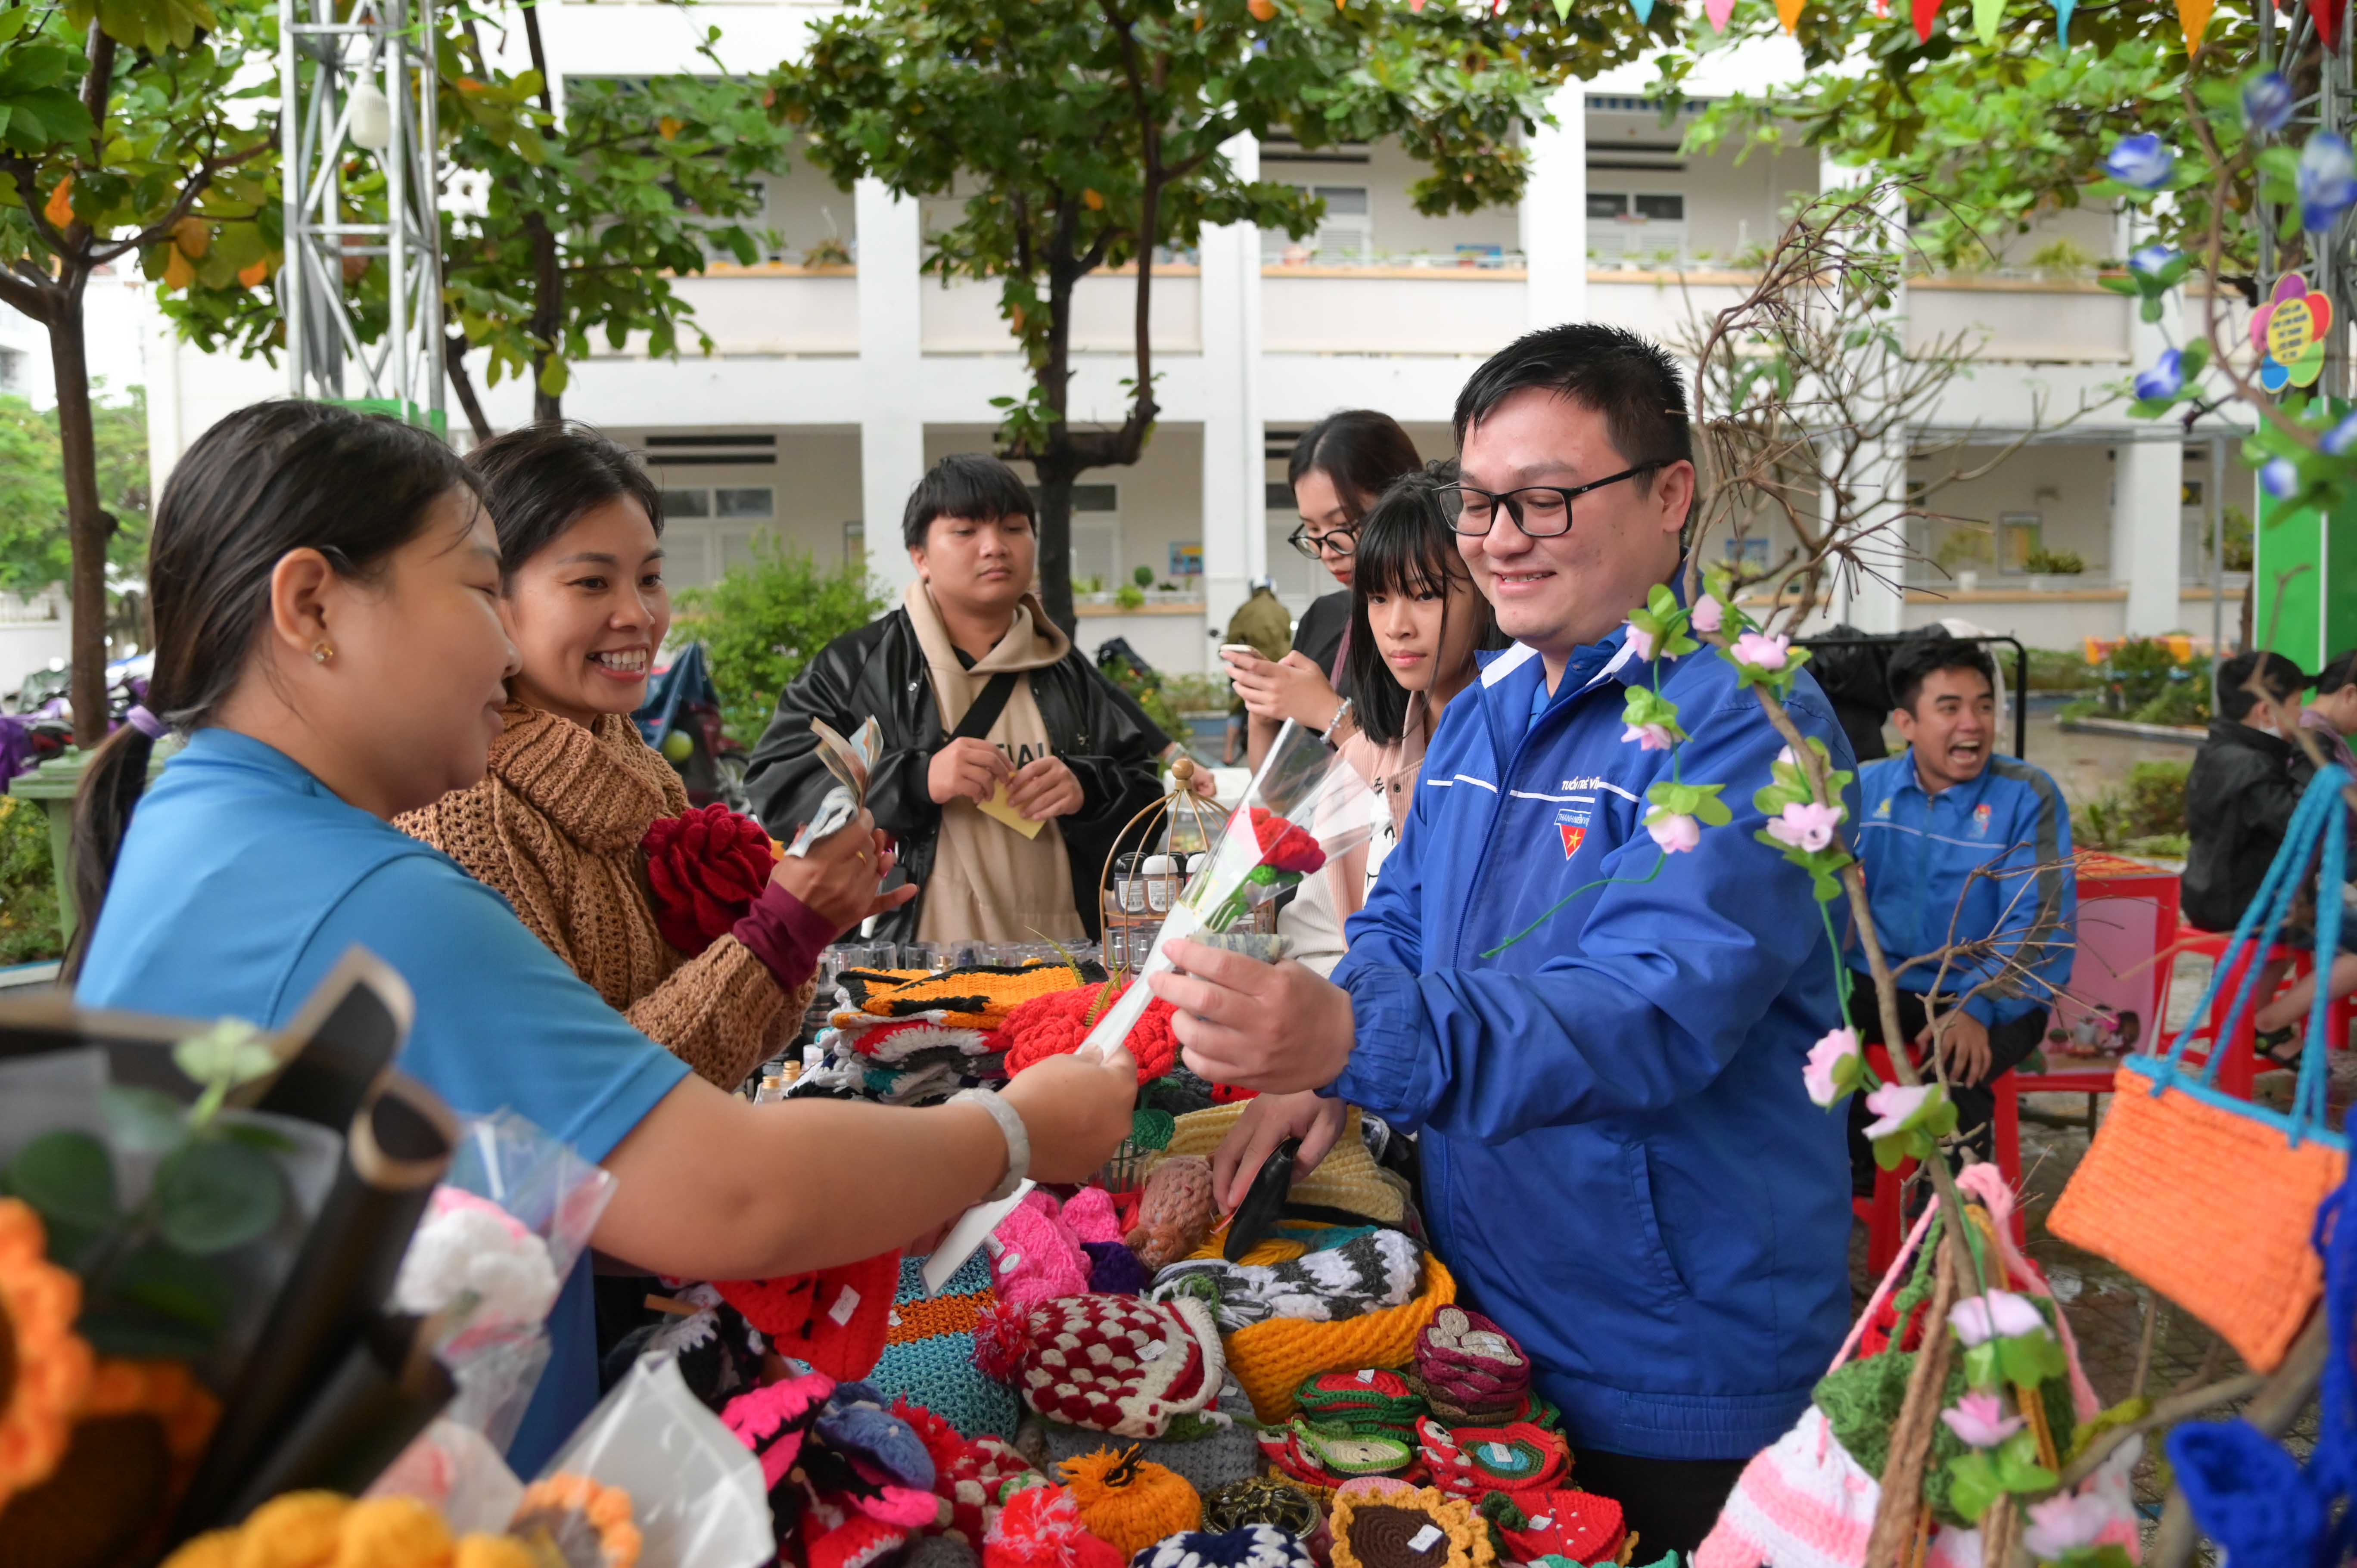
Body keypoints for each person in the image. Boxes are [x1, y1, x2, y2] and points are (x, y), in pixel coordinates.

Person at [69, 402, 1139, 1473]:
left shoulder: (209, 821)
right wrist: (1009, 1131)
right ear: (312, 605)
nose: (503, 643)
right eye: (486, 588)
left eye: (647, 576)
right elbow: (728, 1192)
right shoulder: (371, 892)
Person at [1161, 325, 1856, 1554]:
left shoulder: (1745, 723)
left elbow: (1650, 1009)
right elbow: (1404, 921)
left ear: (1670, 495)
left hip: (1665, 1345)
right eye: (1482, 504)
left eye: (1544, 500)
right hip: (1490, 1306)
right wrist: (1335, 1059)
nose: (1500, 539)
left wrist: (1355, 1031)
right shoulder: (1492, 712)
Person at [401, 422, 870, 1094]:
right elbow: (577, 1097)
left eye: (650, 577)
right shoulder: (467, 811)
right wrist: (776, 932)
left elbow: (737, 1040)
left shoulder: (633, 762)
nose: (639, 614)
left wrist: (805, 916)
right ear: (488, 597)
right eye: (592, 583)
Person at [743, 454, 1163, 944]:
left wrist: (1087, 789)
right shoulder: (860, 667)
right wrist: (917, 778)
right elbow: (779, 784)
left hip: (1060, 971)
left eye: (1013, 527)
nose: (995, 547)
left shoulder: (1067, 672)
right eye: (965, 531)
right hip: (905, 972)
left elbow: (1147, 804)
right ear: (920, 555)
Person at [1846, 635, 2074, 1181]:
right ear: (1906, 722)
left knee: (1953, 1068)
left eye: (1984, 706)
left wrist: (1977, 1003)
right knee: (1797, 1037)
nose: (1972, 723)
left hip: (1997, 991)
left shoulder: (2027, 794)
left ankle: (1950, 1236)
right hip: (1883, 983)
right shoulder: (1864, 786)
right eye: (1949, 708)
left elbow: (2040, 923)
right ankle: (1856, 1186)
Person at [1224, 411, 1422, 768]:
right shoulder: (1325, 617)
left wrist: (1330, 715)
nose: (1328, 551)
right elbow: (1285, 792)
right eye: (1312, 530)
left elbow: (1431, 796)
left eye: (1344, 524)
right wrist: (1264, 711)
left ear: (1403, 498)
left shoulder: (1446, 622)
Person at [2182, 649, 2312, 935]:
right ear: (2265, 711)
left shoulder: (2216, 750)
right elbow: (2300, 826)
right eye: (2297, 704)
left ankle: (2236, 982)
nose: (2302, 715)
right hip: (2242, 903)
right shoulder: (2252, 764)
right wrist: (2307, 757)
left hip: (2205, 894)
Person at [1222, 578, 1293, 764]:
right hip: (1281, 667)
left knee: (1238, 707)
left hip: (1255, 666)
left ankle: (1228, 753)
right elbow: (1288, 637)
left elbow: (1233, 637)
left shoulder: (1245, 610)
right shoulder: (1282, 610)